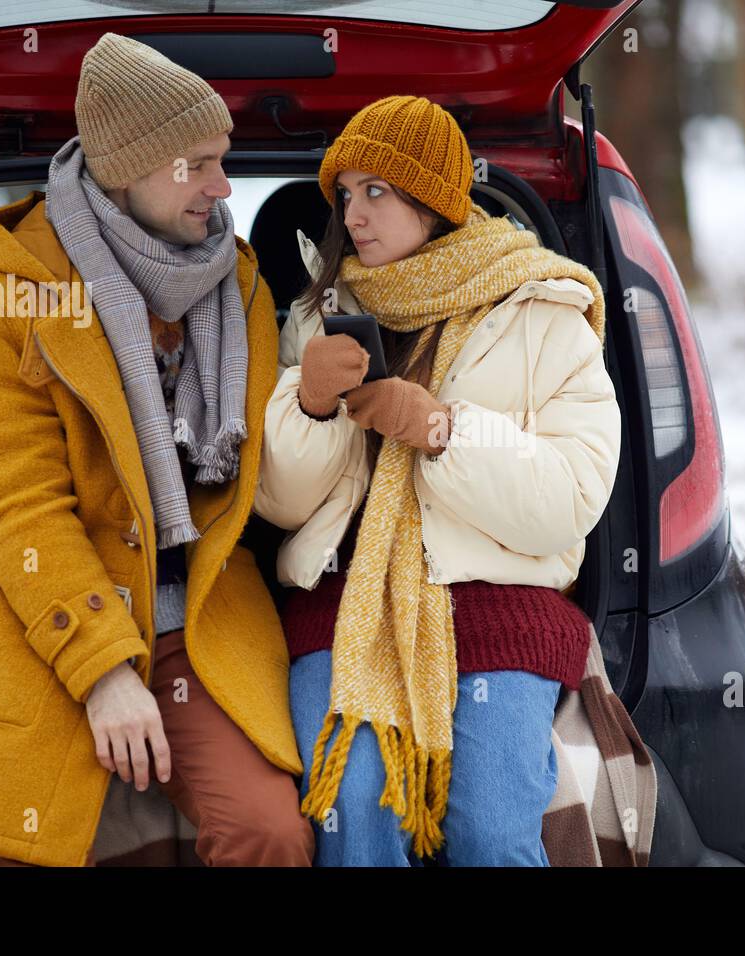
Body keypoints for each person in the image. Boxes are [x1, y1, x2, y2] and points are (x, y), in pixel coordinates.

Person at [0, 33, 312, 867]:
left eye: (223, 159)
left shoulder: (238, 285)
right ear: (130, 170)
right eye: (197, 164)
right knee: (24, 837)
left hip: (191, 610)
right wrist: (102, 671)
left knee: (269, 831)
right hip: (41, 603)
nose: (223, 186)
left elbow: (257, 475)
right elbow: (16, 507)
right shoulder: (4, 304)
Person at [253, 95, 622, 865]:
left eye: (377, 191)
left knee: (489, 830)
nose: (355, 214)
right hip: (347, 604)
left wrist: (441, 433)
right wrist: (310, 405)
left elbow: (570, 501)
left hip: (499, 606)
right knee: (353, 811)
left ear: (436, 201)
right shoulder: (321, 314)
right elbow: (278, 505)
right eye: (345, 194)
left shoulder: (542, 308)